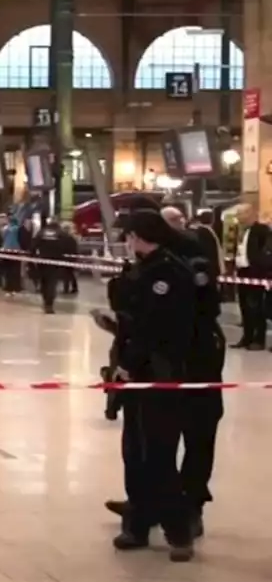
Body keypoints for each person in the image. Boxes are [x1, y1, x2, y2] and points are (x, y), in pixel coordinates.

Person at [107, 209, 199, 562]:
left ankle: (179, 530)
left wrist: (131, 364)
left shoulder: (169, 272)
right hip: (135, 369)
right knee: (134, 450)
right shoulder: (140, 270)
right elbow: (130, 317)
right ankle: (137, 523)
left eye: (129, 235)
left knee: (159, 452)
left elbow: (158, 328)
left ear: (140, 235)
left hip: (160, 372)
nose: (126, 243)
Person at [231, 204, 269, 350]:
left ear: (251, 214)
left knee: (257, 307)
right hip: (242, 272)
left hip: (256, 273)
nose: (238, 217)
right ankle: (246, 337)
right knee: (244, 306)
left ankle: (259, 339)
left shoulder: (262, 230)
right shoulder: (240, 231)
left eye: (241, 214)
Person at [31, 218, 64, 314]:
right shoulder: (60, 233)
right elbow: (67, 245)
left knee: (44, 282)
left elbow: (33, 245)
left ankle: (45, 301)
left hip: (42, 261)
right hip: (55, 262)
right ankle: (49, 304)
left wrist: (33, 257)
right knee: (52, 283)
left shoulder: (42, 232)